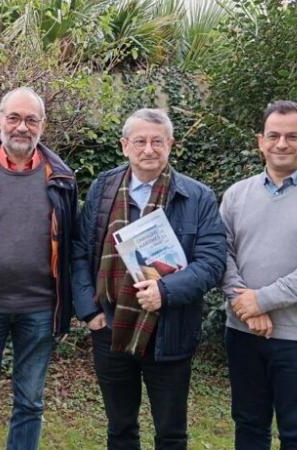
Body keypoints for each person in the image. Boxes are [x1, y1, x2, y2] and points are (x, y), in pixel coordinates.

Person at [71, 108, 226, 450]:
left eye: (158, 141)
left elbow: (213, 262)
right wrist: (89, 311)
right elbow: (80, 250)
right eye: (140, 141)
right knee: (120, 429)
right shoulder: (103, 188)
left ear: (171, 145)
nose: (149, 149)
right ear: (125, 145)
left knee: (171, 432)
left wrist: (165, 291)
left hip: (169, 329)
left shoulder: (197, 196)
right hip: (110, 326)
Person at [0, 87, 78, 450]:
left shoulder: (63, 179)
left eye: (31, 120)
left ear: (43, 125)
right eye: (14, 118)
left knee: (30, 402)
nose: (21, 127)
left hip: (40, 308)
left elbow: (72, 244)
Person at [221, 100, 297, 450]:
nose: (281, 144)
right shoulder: (236, 194)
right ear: (261, 141)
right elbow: (220, 254)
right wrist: (245, 305)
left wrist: (262, 300)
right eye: (273, 135)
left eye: (292, 136)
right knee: (248, 427)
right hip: (242, 333)